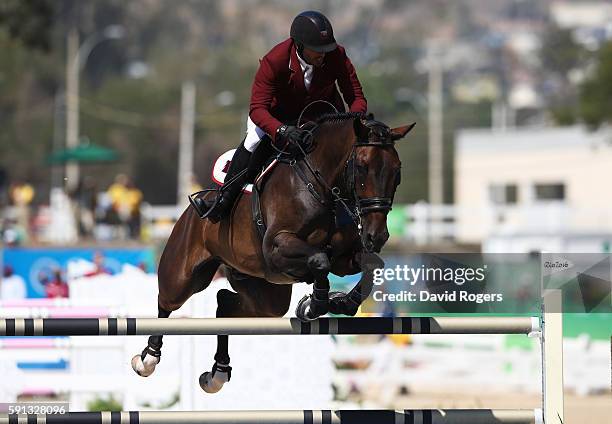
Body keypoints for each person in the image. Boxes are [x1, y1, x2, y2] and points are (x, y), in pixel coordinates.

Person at [191, 10, 367, 222]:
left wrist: (352, 123)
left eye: (326, 48)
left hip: (321, 115)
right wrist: (281, 130)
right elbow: (257, 109)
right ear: (299, 46)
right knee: (254, 140)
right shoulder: (275, 61)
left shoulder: (336, 55)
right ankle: (223, 200)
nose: (323, 54)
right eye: (316, 50)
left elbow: (356, 96)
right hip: (277, 116)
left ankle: (361, 211)